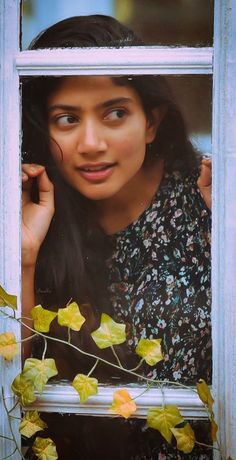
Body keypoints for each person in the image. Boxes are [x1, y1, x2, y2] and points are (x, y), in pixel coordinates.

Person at [22, 15, 212, 460]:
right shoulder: (28, 214)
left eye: (115, 113)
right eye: (66, 118)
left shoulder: (209, 197)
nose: (91, 142)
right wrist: (24, 256)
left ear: (151, 122)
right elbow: (14, 386)